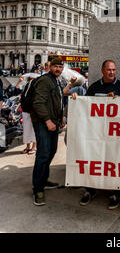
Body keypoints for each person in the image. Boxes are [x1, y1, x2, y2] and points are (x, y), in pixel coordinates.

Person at [75, 60, 120, 209]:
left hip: (115, 134)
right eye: (108, 70)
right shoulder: (94, 87)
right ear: (102, 71)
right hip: (96, 133)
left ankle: (116, 193)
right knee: (94, 161)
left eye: (114, 70)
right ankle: (90, 190)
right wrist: (76, 100)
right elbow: (85, 106)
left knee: (114, 163)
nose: (111, 72)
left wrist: (119, 100)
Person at [30, 57, 66, 206]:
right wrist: (47, 120)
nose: (58, 69)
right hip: (43, 123)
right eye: (56, 66)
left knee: (50, 152)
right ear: (50, 66)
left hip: (53, 122)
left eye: (60, 67)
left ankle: (43, 181)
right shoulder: (45, 80)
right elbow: (38, 103)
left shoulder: (55, 80)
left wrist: (61, 117)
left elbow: (57, 100)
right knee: (43, 154)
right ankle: (38, 189)